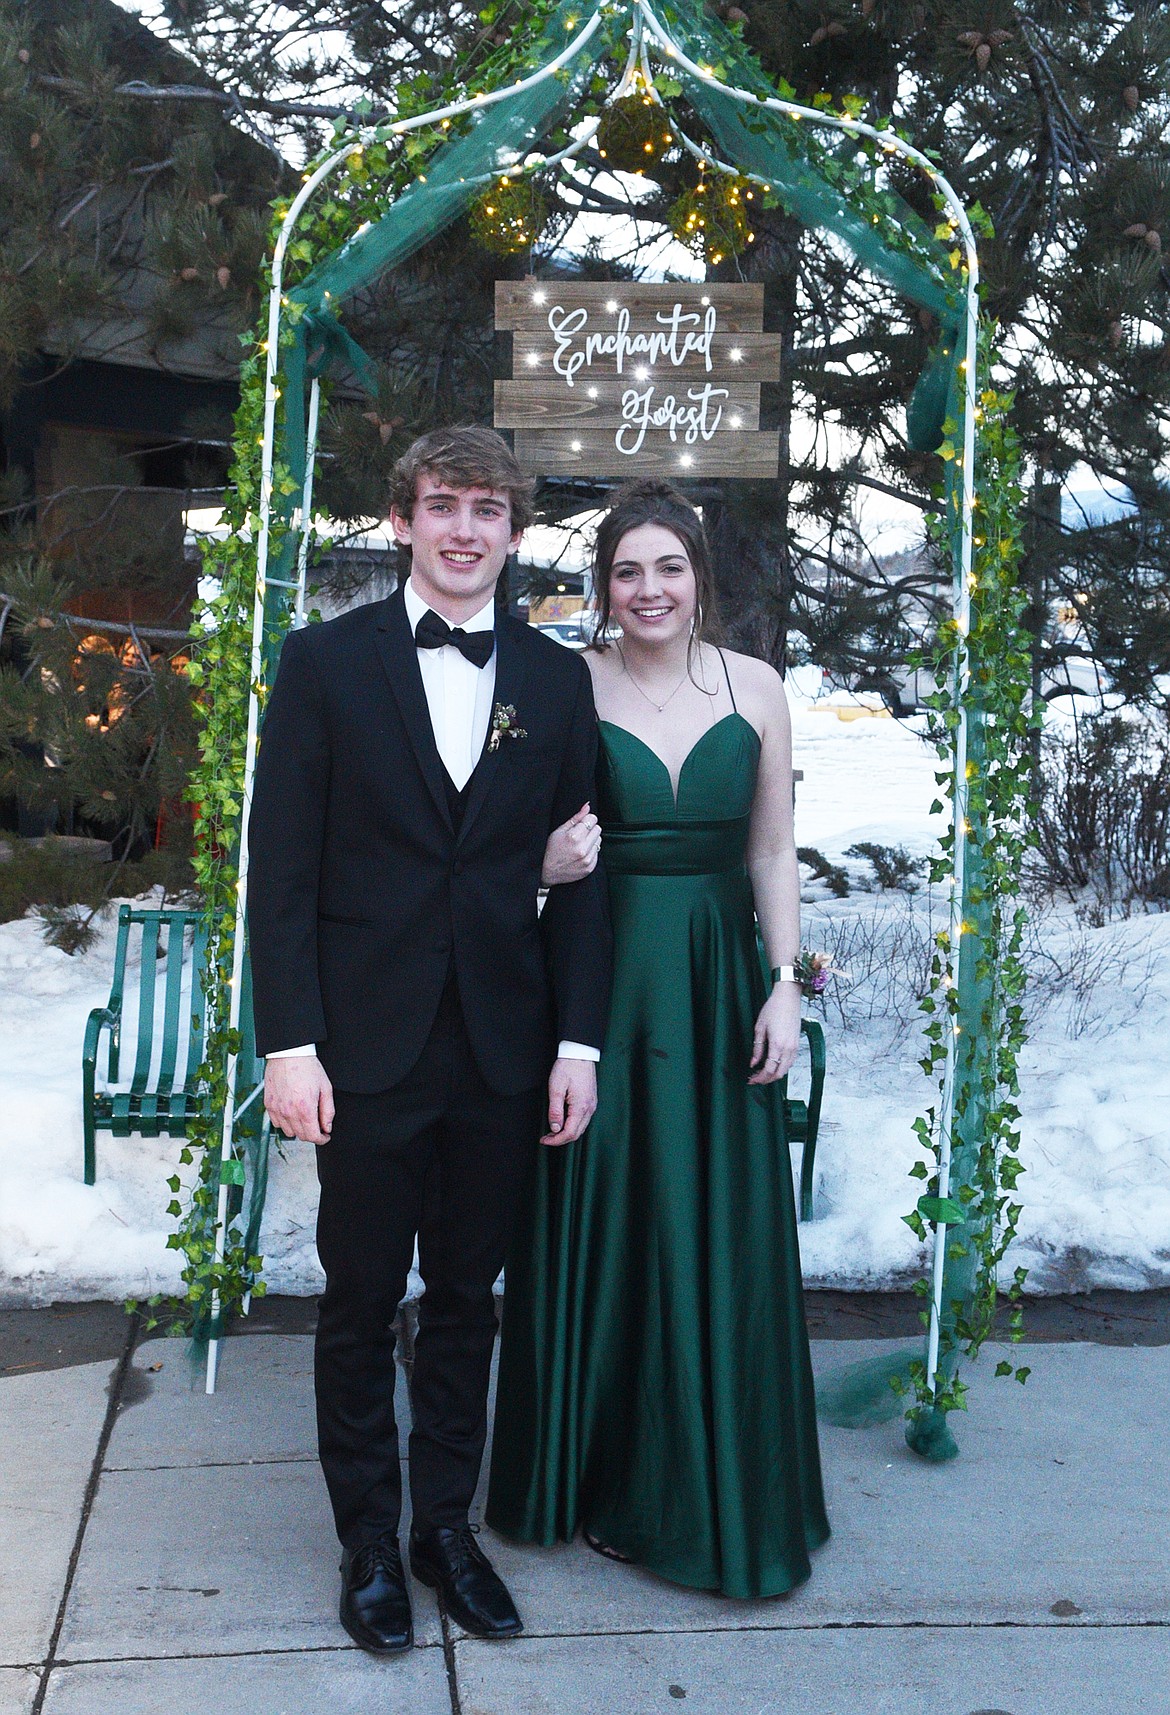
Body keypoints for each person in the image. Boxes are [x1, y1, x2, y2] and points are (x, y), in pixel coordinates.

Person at [246, 426, 612, 1654]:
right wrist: (287, 1041)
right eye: (443, 504)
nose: (465, 529)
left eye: (488, 509)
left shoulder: (559, 684)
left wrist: (580, 1045)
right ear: (402, 518)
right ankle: (366, 1539)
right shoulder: (324, 662)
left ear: (516, 531)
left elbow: (581, 879)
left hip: (503, 1049)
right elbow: (281, 871)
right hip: (363, 1046)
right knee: (358, 1301)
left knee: (466, 1298)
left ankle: (442, 1530)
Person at [487, 478, 830, 1599]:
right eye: (627, 570)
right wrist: (535, 866)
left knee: (709, 1223)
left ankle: (707, 1478)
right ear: (604, 584)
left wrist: (785, 984)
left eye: (668, 567)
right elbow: (492, 828)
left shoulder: (760, 688)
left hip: (718, 980)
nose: (649, 589)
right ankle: (585, 1472)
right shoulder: (559, 683)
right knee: (606, 1212)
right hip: (597, 982)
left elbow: (771, 852)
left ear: (699, 576)